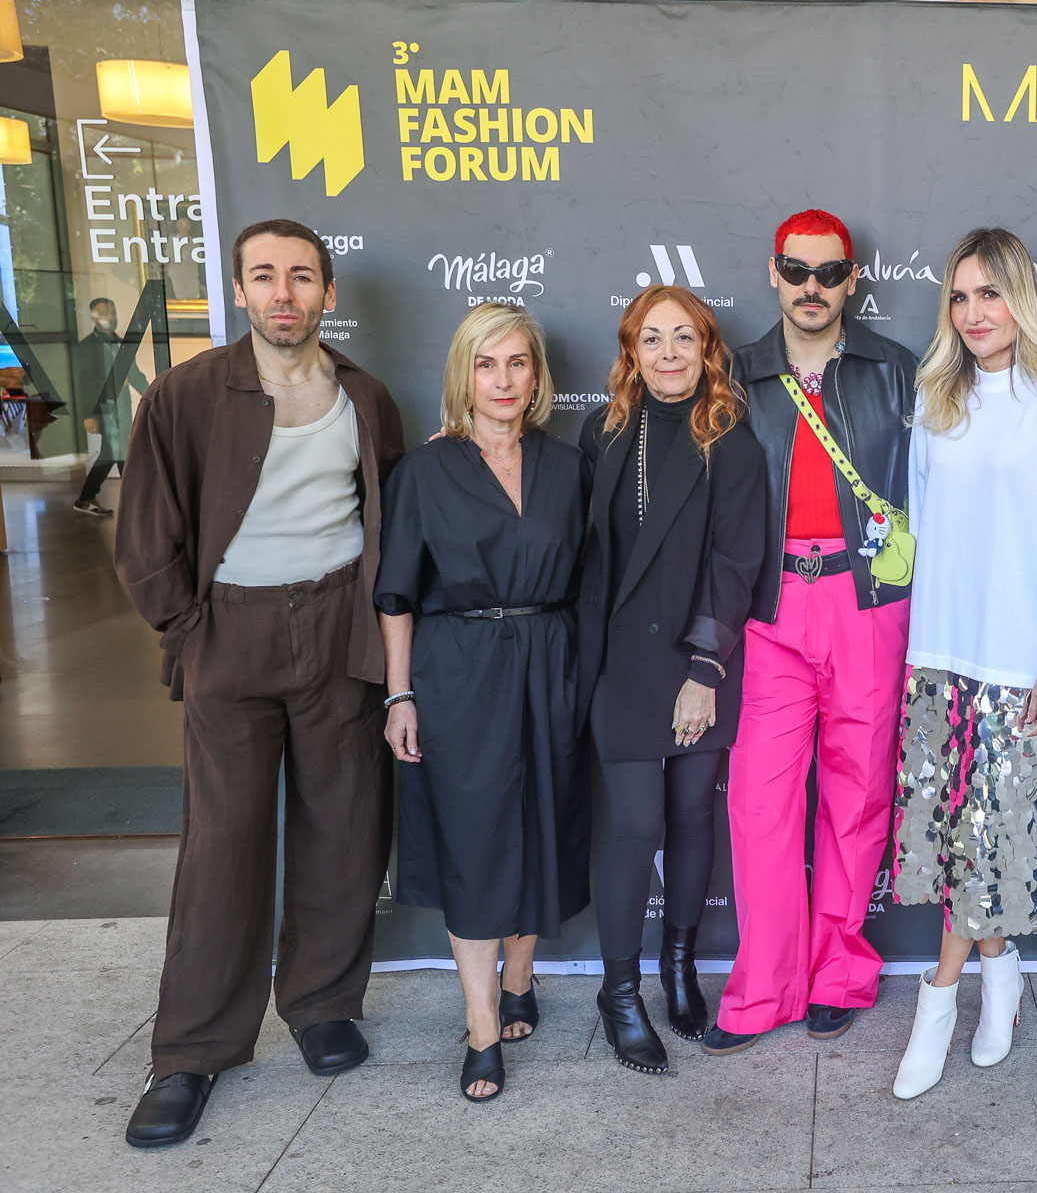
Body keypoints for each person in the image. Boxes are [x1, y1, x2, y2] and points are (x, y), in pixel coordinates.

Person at [114, 218, 405, 1146]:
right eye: (266, 276)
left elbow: (390, 525)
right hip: (228, 632)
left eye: (303, 276)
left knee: (344, 828)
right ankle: (190, 1052)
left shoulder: (365, 397)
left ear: (328, 292)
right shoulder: (187, 393)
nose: (285, 293)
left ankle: (323, 1004)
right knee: (223, 848)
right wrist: (189, 629)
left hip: (338, 628)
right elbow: (145, 536)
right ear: (239, 291)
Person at [891, 227, 1037, 1100]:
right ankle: (1002, 974)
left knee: (989, 834)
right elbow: (917, 539)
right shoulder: (933, 400)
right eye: (959, 296)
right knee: (954, 838)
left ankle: (938, 999)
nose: (973, 312)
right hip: (937, 657)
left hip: (1020, 660)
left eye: (989, 293)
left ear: (1020, 299)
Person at [703, 210, 918, 1055]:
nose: (812, 288)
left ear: (852, 280)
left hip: (868, 600)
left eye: (829, 273)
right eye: (797, 271)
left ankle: (839, 974)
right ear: (774, 272)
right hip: (771, 603)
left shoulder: (895, 371)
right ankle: (762, 987)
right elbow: (675, 462)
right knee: (760, 804)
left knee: (857, 796)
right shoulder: (735, 373)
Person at [374, 302, 590, 1102]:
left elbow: (592, 580)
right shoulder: (424, 472)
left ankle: (521, 979)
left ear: (537, 375)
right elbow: (396, 594)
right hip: (458, 670)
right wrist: (400, 694)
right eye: (486, 364)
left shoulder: (568, 467)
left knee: (542, 827)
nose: (503, 380)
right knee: (474, 843)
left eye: (518, 363)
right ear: (464, 375)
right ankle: (480, 1024)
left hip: (550, 663)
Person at [577, 285, 766, 1071]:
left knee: (693, 816)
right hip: (620, 662)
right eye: (651, 339)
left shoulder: (731, 441)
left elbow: (736, 565)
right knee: (633, 825)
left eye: (684, 337)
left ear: (707, 348)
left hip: (698, 664)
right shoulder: (602, 432)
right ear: (631, 350)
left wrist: (704, 670)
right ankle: (618, 993)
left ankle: (678, 967)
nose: (668, 354)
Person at [72, 296, 149, 517]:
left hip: (122, 405)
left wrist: (153, 395)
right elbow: (84, 385)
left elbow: (134, 374)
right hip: (103, 408)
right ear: (93, 317)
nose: (111, 317)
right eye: (105, 313)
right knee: (120, 451)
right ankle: (135, 502)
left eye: (112, 312)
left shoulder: (119, 342)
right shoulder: (86, 347)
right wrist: (89, 414)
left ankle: (86, 498)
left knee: (113, 452)